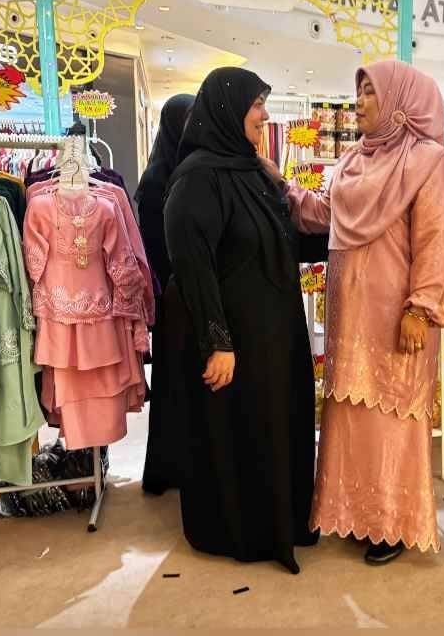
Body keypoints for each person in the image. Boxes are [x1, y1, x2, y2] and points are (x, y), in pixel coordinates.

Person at [271, 60, 444, 565]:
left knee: (391, 414)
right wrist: (280, 187)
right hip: (350, 313)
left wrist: (421, 307)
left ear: (400, 101)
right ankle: (356, 513)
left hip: (398, 315)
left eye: (370, 92)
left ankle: (391, 525)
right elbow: (324, 213)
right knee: (353, 412)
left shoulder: (430, 162)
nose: (359, 102)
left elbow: (438, 241)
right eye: (358, 92)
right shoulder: (353, 159)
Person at [163, 67, 323, 574]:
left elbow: (284, 239)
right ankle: (239, 531)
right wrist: (218, 342)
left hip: (277, 335)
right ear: (229, 110)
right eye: (257, 105)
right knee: (241, 432)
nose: (265, 114)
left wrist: (351, 238)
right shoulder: (196, 179)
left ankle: (285, 522)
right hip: (235, 341)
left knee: (278, 425)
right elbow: (193, 266)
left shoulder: (253, 173)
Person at [137, 93, 195, 496]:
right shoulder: (158, 177)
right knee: (175, 381)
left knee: (185, 382)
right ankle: (166, 469)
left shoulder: (182, 169)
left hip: (185, 290)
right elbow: (155, 248)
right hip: (173, 294)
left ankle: (182, 463)